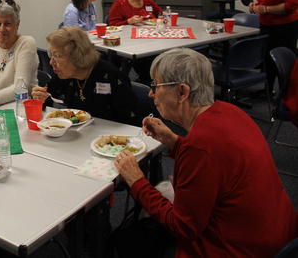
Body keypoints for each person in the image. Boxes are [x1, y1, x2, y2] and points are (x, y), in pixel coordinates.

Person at [113, 48, 297, 258]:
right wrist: (175, 142)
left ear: (182, 92)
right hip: (278, 237)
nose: (150, 93)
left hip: (240, 249)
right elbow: (217, 165)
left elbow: (183, 227)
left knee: (132, 243)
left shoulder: (200, 147)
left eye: (155, 85)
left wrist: (136, 180)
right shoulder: (231, 112)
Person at [31, 26, 141, 126]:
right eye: (51, 55)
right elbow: (49, 99)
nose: (51, 62)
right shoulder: (64, 75)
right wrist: (41, 97)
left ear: (76, 56)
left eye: (56, 55)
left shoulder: (112, 77)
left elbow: (133, 122)